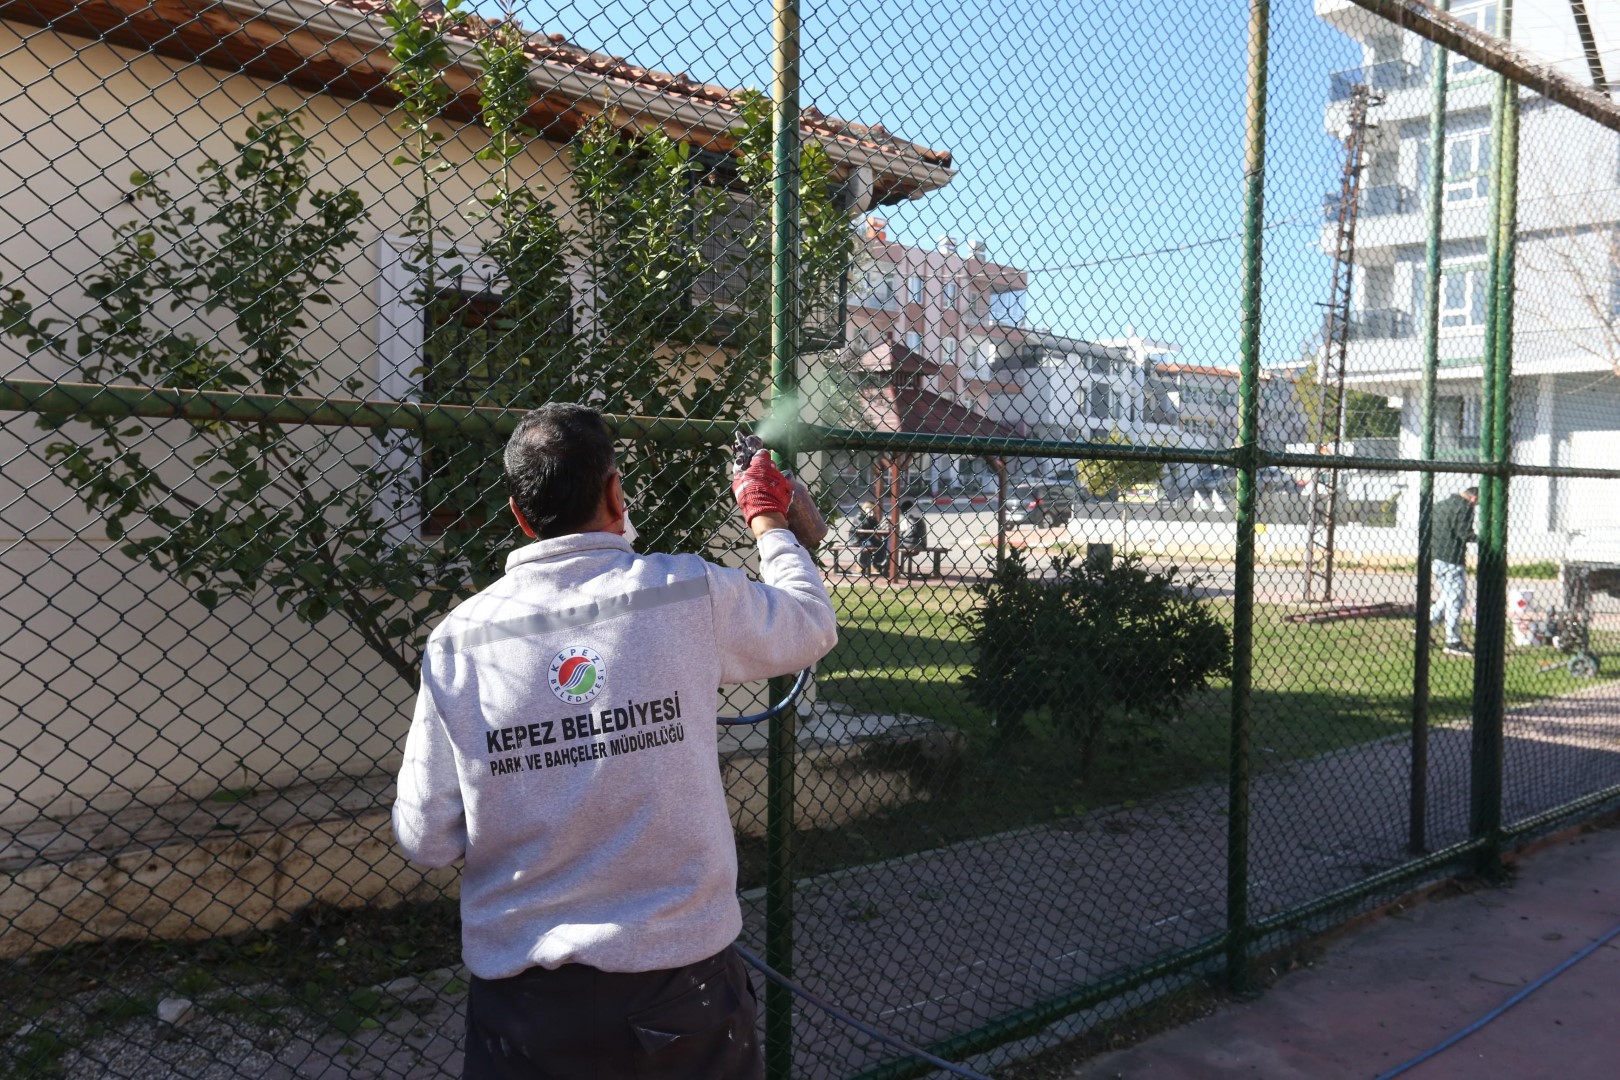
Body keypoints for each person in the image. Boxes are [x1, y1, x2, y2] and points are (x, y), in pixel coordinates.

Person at [392, 403, 837, 1080]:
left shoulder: (461, 639)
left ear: (518, 513)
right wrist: (766, 517)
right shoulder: (683, 591)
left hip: (527, 1006)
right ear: (614, 492)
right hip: (681, 986)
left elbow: (426, 839)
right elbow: (808, 624)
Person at [1429, 485, 1479, 658]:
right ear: (1474, 498)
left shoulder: (1440, 505)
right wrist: (1482, 539)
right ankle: (1453, 641)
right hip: (1452, 559)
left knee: (1448, 596)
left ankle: (1424, 626)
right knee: (1456, 600)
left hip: (1436, 556)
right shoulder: (1464, 508)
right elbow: (1464, 534)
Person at [852, 499, 885, 575]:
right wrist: (867, 517)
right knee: (868, 545)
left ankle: (877, 564)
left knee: (880, 544)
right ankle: (861, 565)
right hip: (858, 539)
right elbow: (861, 527)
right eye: (872, 510)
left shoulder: (872, 517)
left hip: (868, 537)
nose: (873, 512)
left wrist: (873, 518)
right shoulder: (859, 516)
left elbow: (876, 526)